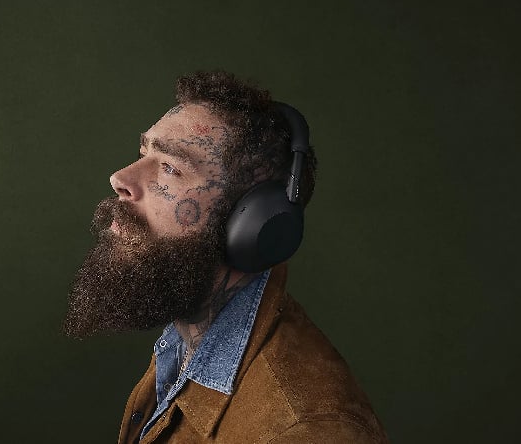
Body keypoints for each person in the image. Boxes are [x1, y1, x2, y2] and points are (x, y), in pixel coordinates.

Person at [64, 70, 388, 443]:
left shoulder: (306, 429)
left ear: (251, 224)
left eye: (170, 168)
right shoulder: (182, 346)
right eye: (144, 153)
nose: (119, 178)